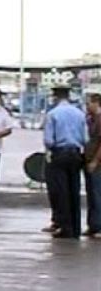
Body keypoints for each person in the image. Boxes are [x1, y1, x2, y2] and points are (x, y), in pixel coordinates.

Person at [43, 85, 87, 239]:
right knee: (73, 189)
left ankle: (64, 226)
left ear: (55, 97)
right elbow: (85, 139)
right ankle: (76, 227)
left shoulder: (52, 114)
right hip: (75, 154)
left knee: (60, 191)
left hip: (59, 154)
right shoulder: (80, 114)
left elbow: (49, 140)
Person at [83, 93, 101, 237]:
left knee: (97, 194)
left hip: (97, 164)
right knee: (91, 194)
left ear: (96, 103)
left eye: (89, 103)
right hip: (88, 160)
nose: (87, 106)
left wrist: (95, 160)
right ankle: (93, 225)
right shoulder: (90, 119)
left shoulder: (100, 120)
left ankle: (98, 225)